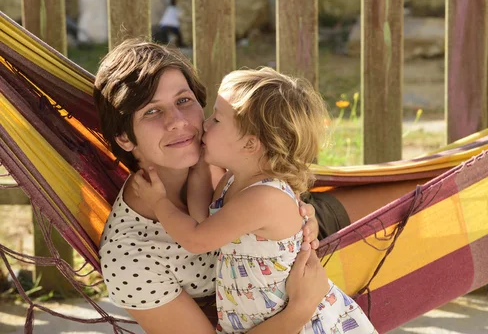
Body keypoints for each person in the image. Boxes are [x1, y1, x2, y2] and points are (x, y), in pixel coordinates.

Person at [93, 39, 424, 333]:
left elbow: (271, 182)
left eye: (183, 101)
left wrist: (301, 212)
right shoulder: (131, 258)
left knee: (424, 195)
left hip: (304, 241)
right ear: (124, 136)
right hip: (289, 310)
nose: (179, 122)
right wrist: (300, 311)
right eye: (152, 111)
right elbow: (200, 232)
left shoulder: (220, 150)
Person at [132, 67, 377, 333]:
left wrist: (159, 202)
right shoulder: (232, 180)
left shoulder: (263, 197)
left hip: (304, 325)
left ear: (249, 145)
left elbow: (196, 239)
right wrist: (200, 170)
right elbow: (202, 218)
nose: (204, 123)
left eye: (217, 119)